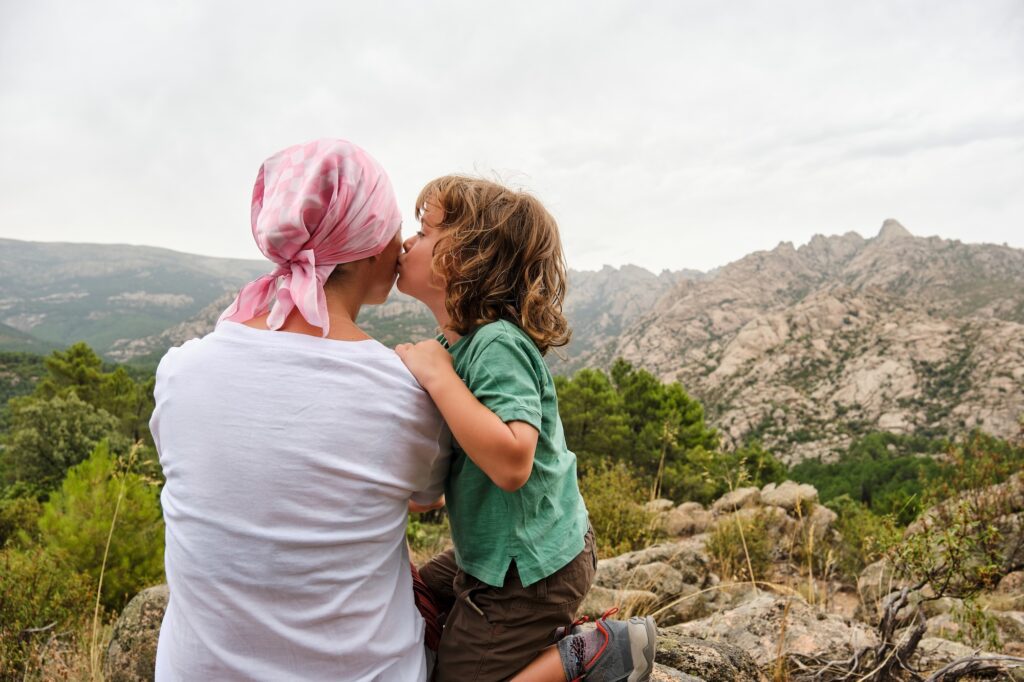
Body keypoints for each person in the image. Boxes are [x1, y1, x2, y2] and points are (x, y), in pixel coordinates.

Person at [150, 139, 449, 681]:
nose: (401, 242)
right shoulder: (404, 392)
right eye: (392, 226)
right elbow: (429, 497)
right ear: (367, 247)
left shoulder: (179, 372)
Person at [394, 175, 657, 682]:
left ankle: (591, 655)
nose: (408, 241)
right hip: (504, 552)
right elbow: (441, 478)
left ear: (468, 258)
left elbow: (514, 462)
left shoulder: (495, 343)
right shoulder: (456, 346)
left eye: (424, 233)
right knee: (421, 593)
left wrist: (436, 375)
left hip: (532, 571)